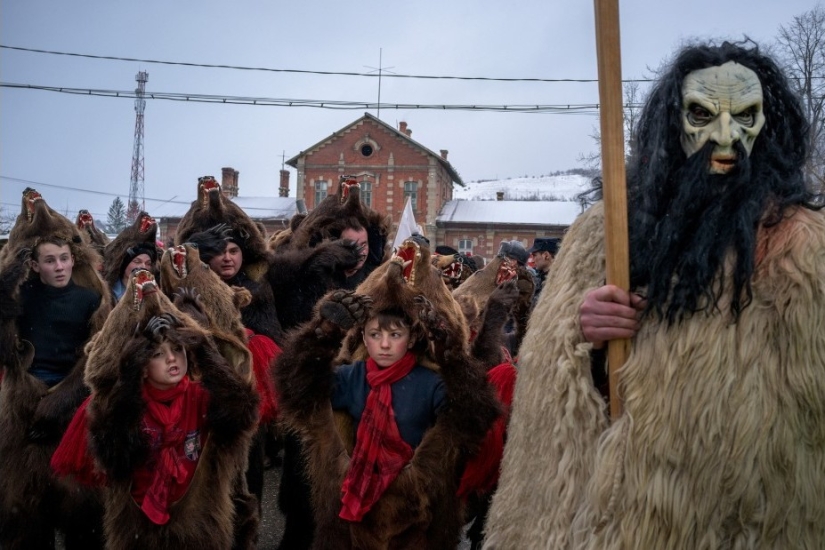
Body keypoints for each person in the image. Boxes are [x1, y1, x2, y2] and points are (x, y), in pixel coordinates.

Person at [484, 40, 825, 549]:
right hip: (617, 517)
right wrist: (583, 336)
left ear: (769, 124)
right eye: (703, 115)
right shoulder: (606, 233)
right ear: (674, 124)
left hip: (749, 521)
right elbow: (553, 399)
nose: (726, 136)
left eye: (746, 116)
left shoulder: (805, 245)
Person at [52, 271, 258, 549]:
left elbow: (242, 415)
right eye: (157, 354)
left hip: (200, 523)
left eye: (177, 349)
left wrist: (205, 349)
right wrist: (129, 371)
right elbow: (115, 455)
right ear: (142, 366)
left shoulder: (202, 396)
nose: (172, 358)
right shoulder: (124, 402)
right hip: (138, 528)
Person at [19, 237, 103, 386]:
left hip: (74, 379)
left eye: (64, 259)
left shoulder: (90, 298)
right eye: (50, 261)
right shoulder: (22, 295)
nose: (59, 267)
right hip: (30, 378)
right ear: (35, 265)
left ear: (72, 260)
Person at [526, 237, 559, 307]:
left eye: (535, 255)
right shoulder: (535, 278)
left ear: (546, 255)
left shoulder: (560, 281)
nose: (532, 260)